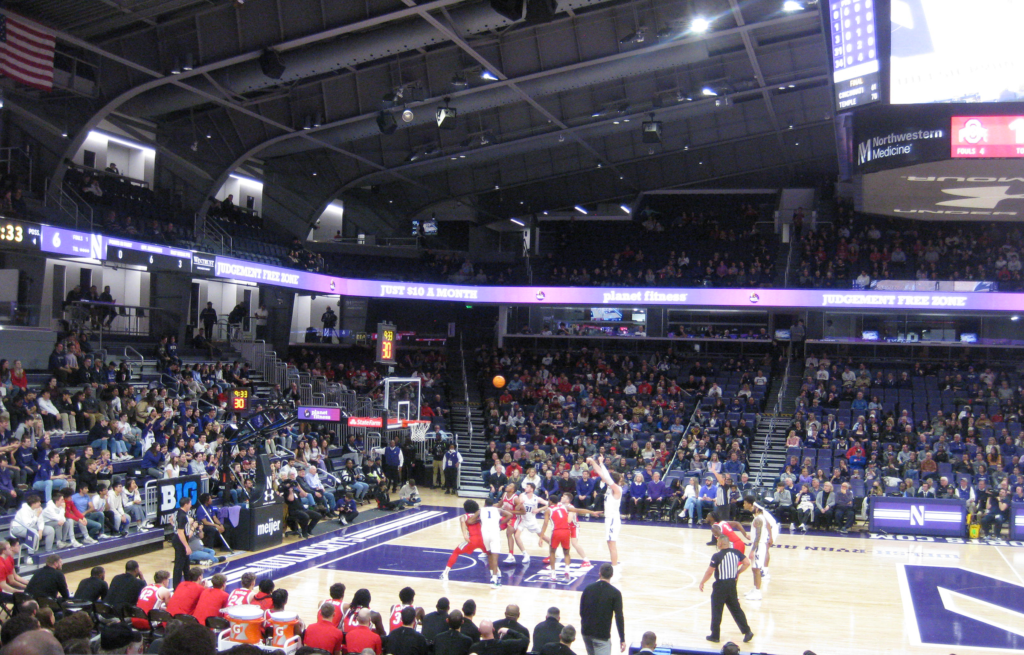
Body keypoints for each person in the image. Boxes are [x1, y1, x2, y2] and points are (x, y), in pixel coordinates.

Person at [698, 536, 753, 644]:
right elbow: (747, 563)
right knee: (736, 610)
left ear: (720, 544)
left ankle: (715, 635)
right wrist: (738, 572)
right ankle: (747, 631)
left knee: (717, 610)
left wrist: (702, 582)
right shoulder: (736, 552)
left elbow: (710, 572)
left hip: (720, 586)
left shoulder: (717, 556)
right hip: (732, 585)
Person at [579, 564, 625, 655]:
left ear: (599, 574)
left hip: (586, 633)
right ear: (612, 575)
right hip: (601, 635)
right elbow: (619, 617)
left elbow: (581, 611)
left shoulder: (588, 589)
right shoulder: (615, 593)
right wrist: (622, 638)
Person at [586, 456, 623, 567]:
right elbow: (602, 473)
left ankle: (615, 567)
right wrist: (594, 462)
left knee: (612, 544)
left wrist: (601, 463)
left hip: (613, 519)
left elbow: (606, 475)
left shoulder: (617, 489)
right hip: (609, 518)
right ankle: (614, 565)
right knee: (609, 543)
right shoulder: (610, 487)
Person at [441, 501, 490, 581]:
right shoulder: (480, 515)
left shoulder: (464, 516)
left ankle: (445, 573)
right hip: (483, 540)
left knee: (456, 552)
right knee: (491, 556)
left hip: (472, 540)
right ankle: (496, 572)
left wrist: (465, 535)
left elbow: (463, 525)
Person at [742, 496, 777, 601]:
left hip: (758, 546)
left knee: (757, 569)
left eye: (754, 507)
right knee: (754, 568)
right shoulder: (760, 518)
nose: (752, 508)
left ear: (757, 508)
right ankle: (754, 589)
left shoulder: (758, 519)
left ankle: (757, 592)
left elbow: (758, 536)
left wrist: (753, 549)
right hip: (759, 545)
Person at [172, 496, 192, 586]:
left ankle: (188, 583)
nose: (191, 505)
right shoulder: (183, 516)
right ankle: (176, 587)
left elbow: (171, 519)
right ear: (186, 504)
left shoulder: (177, 512)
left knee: (186, 564)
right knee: (179, 565)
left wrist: (174, 526)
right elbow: (180, 532)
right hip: (180, 540)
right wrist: (186, 546)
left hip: (178, 538)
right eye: (190, 504)